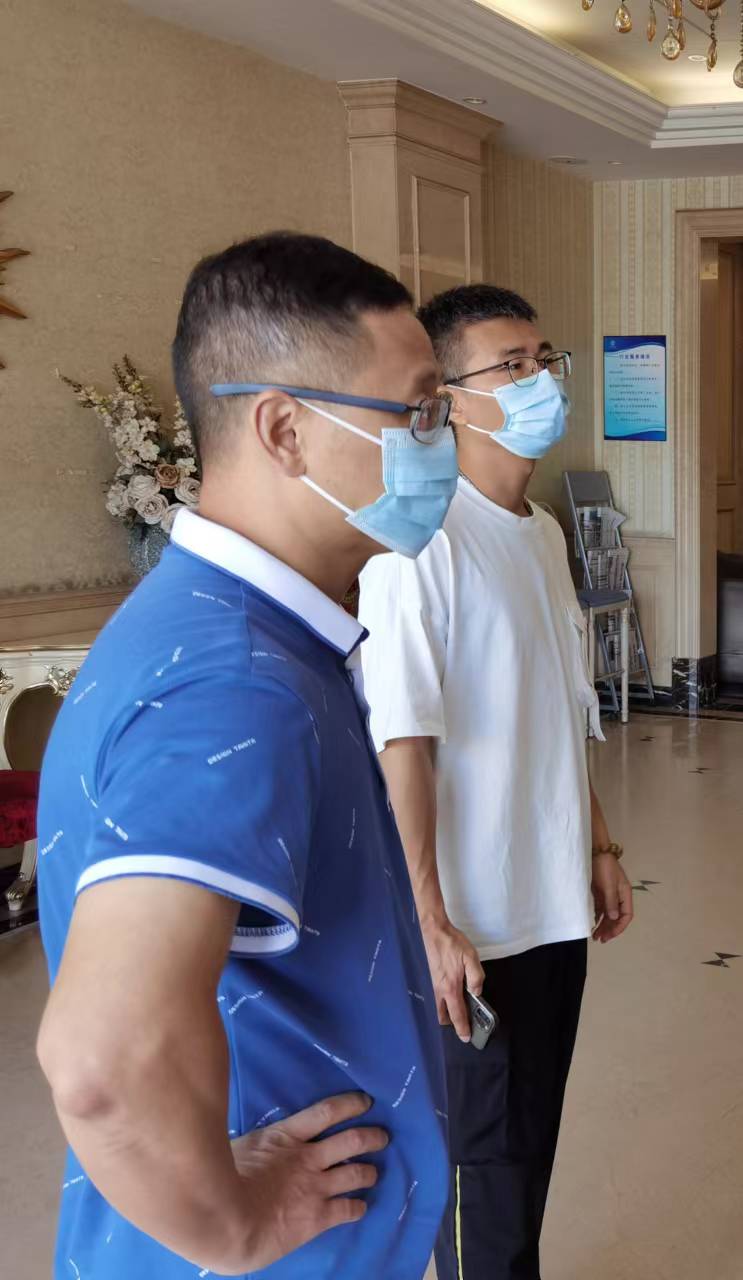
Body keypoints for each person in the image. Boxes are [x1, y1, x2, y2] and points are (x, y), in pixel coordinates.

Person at [33, 232, 459, 1278]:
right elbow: (100, 1056)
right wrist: (234, 1224)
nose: (439, 443)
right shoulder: (240, 683)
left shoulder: (214, 624)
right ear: (285, 429)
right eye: (416, 413)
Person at [357, 283, 635, 1279]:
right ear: (451, 398)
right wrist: (429, 920)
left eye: (543, 359)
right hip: (474, 929)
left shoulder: (542, 534)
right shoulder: (419, 546)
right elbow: (402, 744)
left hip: (551, 905)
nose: (539, 382)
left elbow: (558, 709)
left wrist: (596, 843)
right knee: (484, 1177)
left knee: (528, 1153)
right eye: (510, 365)